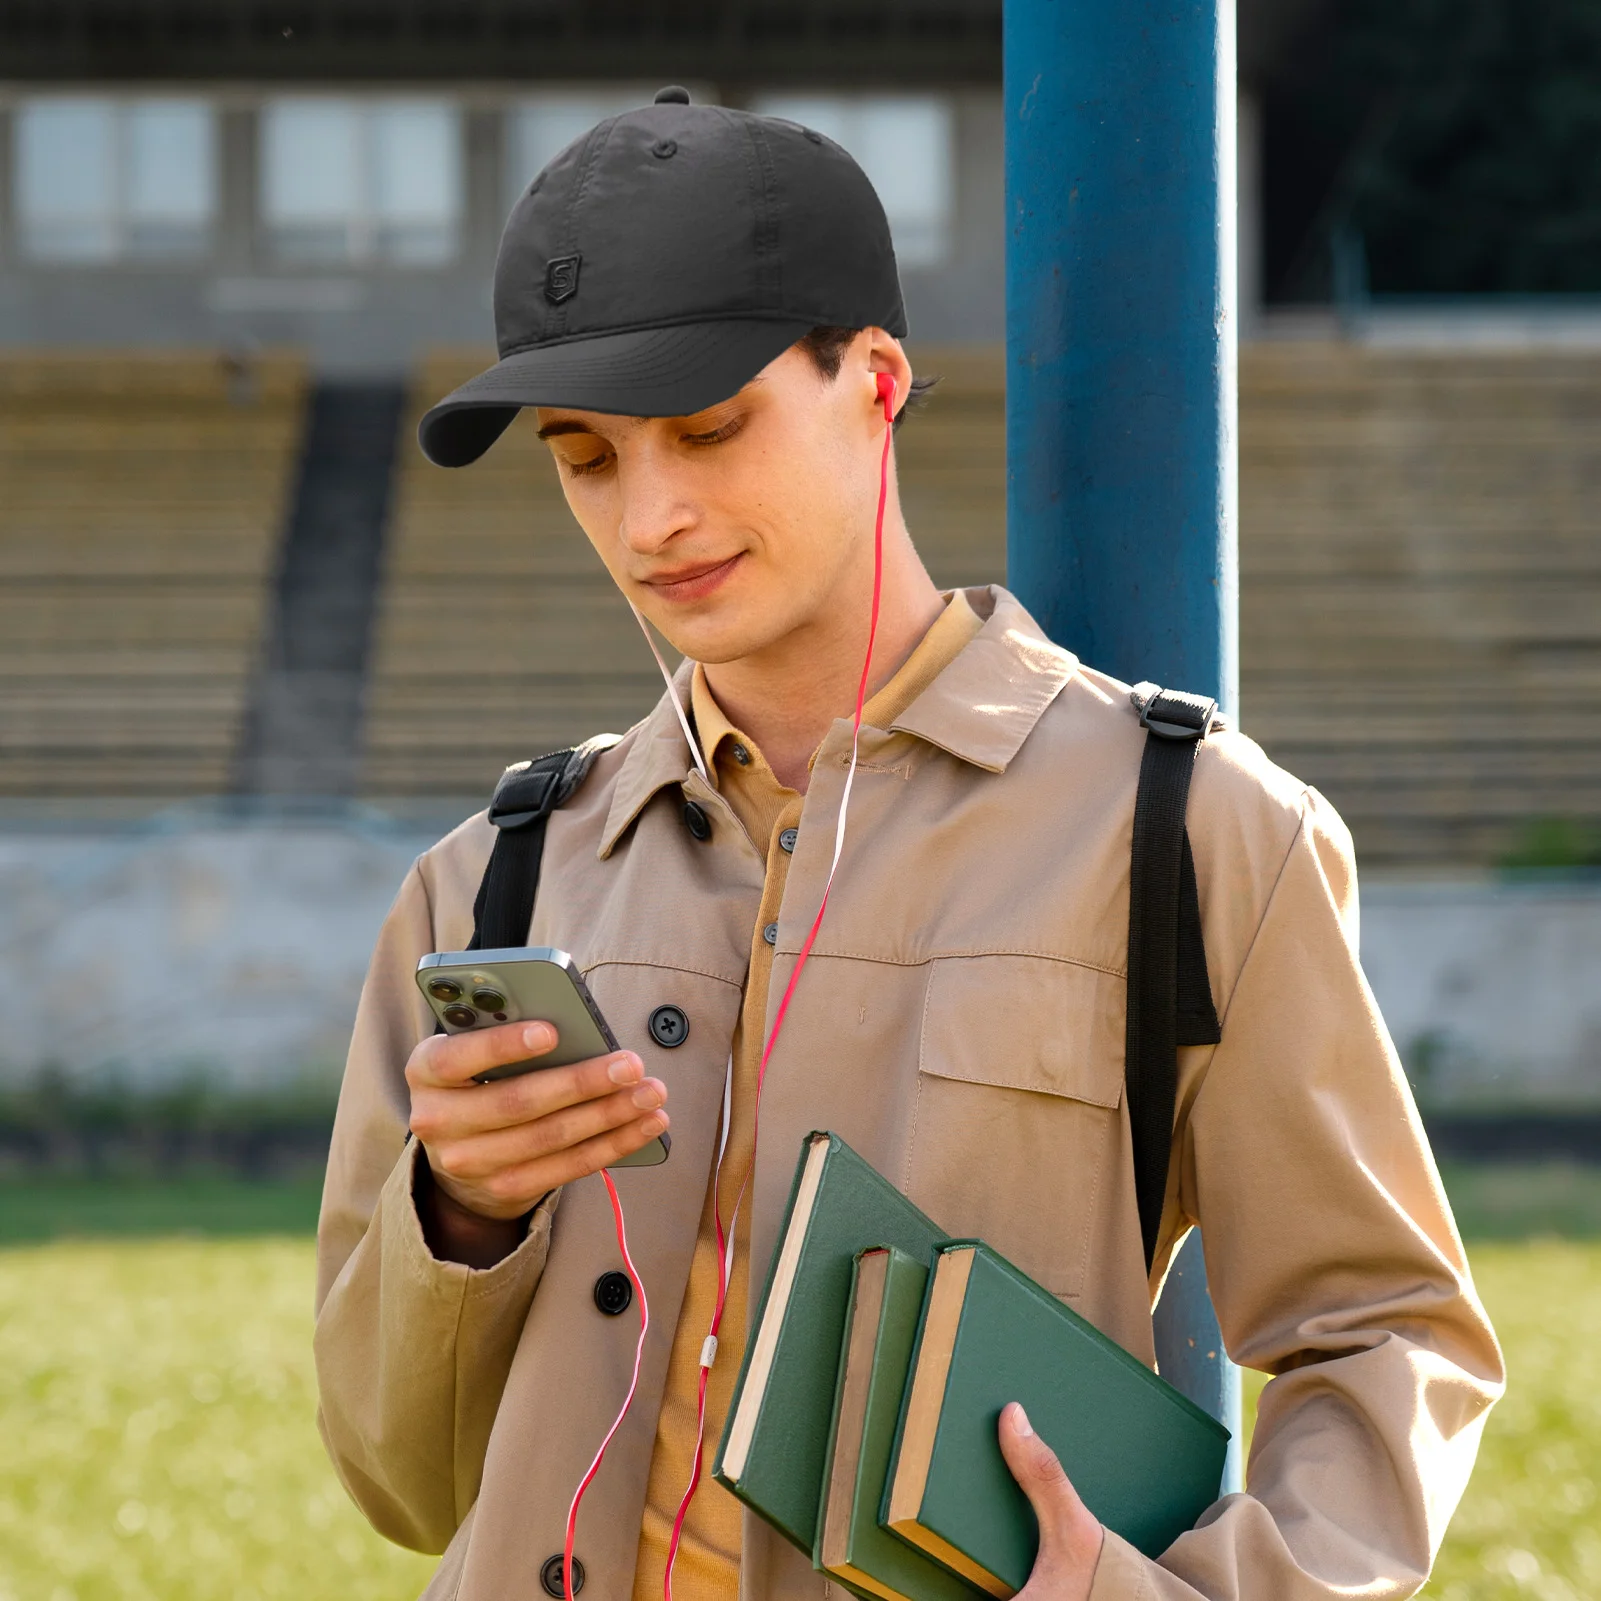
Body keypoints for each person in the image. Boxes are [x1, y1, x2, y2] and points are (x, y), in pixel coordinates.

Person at [314, 89, 1502, 1601]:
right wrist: (462, 1216)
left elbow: (1387, 1335)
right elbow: (399, 1482)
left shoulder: (1193, 831)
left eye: (708, 427)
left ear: (874, 381)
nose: (651, 515)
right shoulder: (487, 882)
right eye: (585, 455)